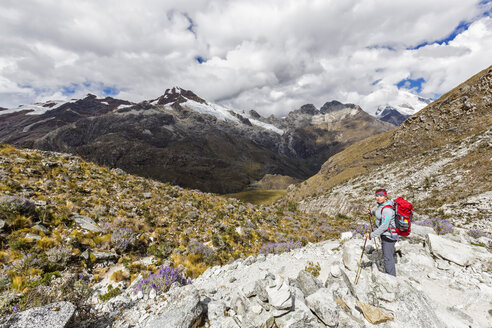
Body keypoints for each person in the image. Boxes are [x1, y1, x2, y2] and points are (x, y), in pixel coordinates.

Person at [365, 189, 398, 276]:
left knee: (388, 258)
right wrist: (371, 213)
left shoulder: (387, 209)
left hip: (389, 236)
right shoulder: (382, 206)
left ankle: (392, 278)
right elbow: (378, 213)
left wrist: (371, 235)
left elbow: (384, 226)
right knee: (387, 256)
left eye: (381, 196)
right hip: (387, 234)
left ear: (385, 197)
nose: (378, 198)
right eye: (377, 196)